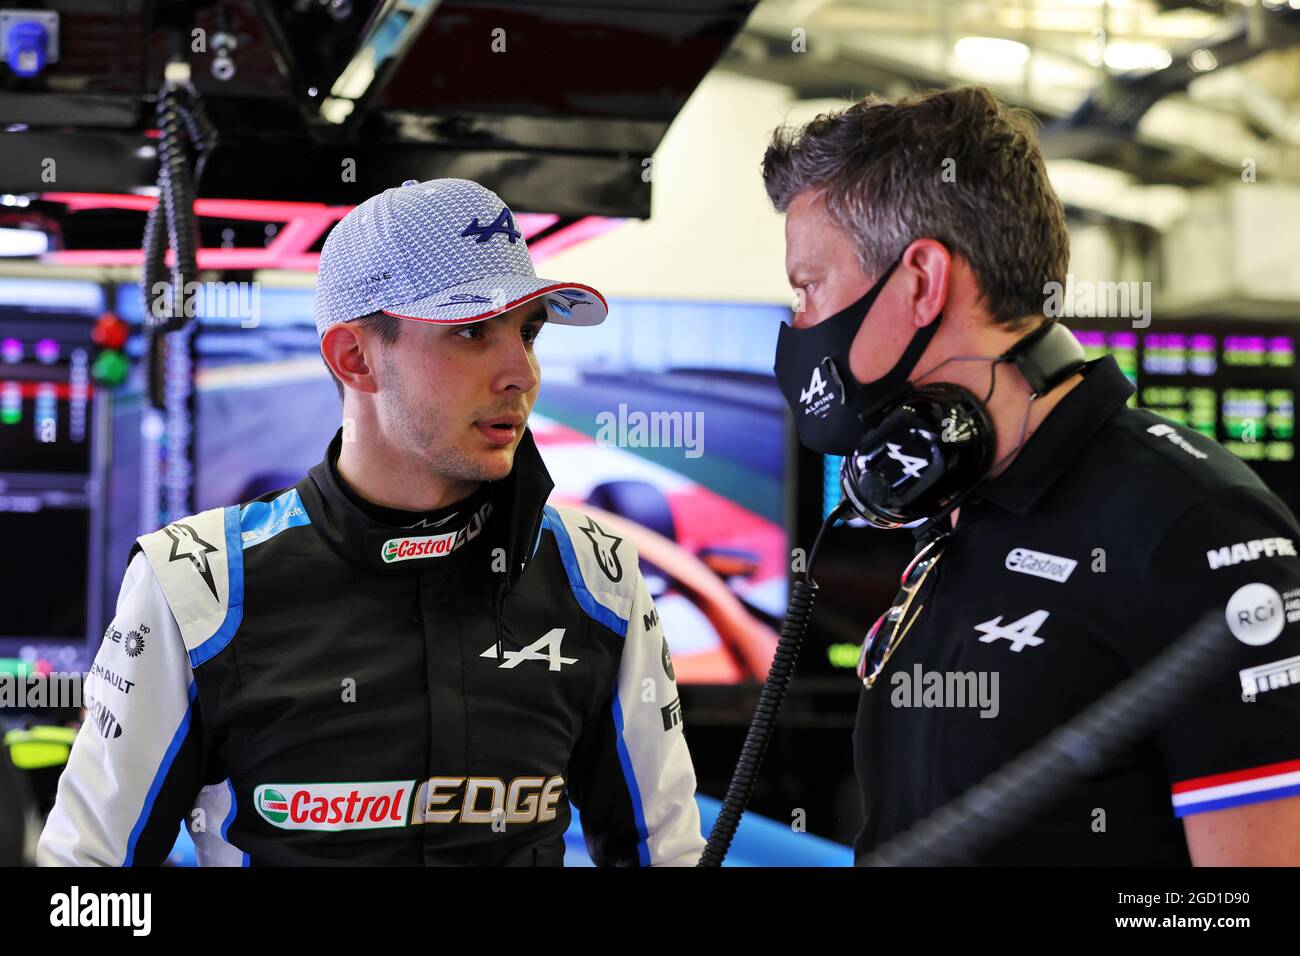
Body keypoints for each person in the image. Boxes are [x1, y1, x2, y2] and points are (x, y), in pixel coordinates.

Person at [38, 177, 705, 866]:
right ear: (354, 358)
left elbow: (670, 857)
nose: (522, 371)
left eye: (528, 331)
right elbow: (83, 883)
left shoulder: (597, 576)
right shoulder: (194, 584)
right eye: (472, 330)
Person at [764, 87, 1300, 865]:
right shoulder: (956, 503)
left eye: (808, 288)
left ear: (920, 281)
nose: (800, 327)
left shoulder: (1199, 532)